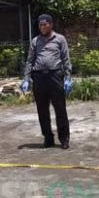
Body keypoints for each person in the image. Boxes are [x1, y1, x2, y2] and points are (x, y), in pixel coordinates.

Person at [21, 14, 72, 149]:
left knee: (60, 109)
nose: (42, 27)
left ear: (51, 24)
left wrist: (67, 77)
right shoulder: (35, 41)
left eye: (45, 24)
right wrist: (26, 78)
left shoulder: (60, 39)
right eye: (40, 25)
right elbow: (30, 60)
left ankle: (64, 139)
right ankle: (48, 137)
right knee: (42, 110)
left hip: (55, 76)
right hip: (39, 78)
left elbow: (65, 58)